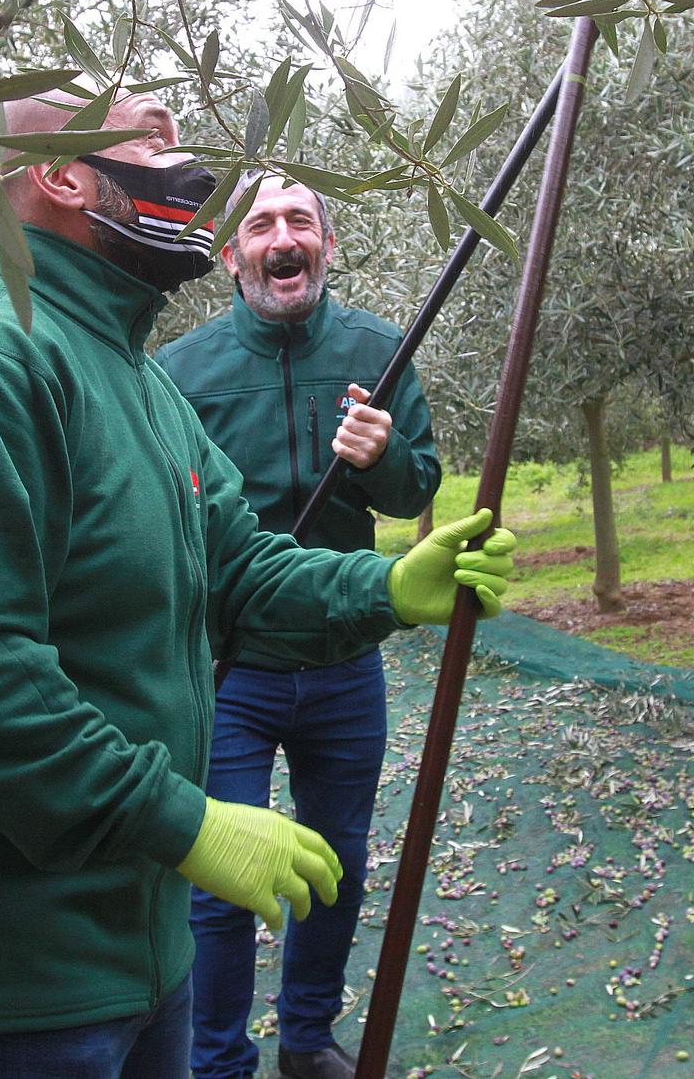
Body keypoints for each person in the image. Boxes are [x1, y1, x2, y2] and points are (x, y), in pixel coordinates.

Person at [0, 90, 516, 1079]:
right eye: (152, 139)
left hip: (137, 950)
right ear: (63, 176)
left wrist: (389, 586)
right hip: (0, 988)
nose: (189, 175)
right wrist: (186, 822)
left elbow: (234, 563)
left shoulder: (134, 382)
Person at [156, 178, 441, 1079]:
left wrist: (383, 455)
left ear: (325, 243)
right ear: (233, 254)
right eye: (262, 225)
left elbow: (418, 488)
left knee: (336, 863)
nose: (284, 239)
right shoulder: (179, 372)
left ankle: (308, 1040)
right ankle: (217, 1060)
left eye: (301, 223)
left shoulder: (379, 350)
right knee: (223, 879)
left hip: (345, 661)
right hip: (231, 668)